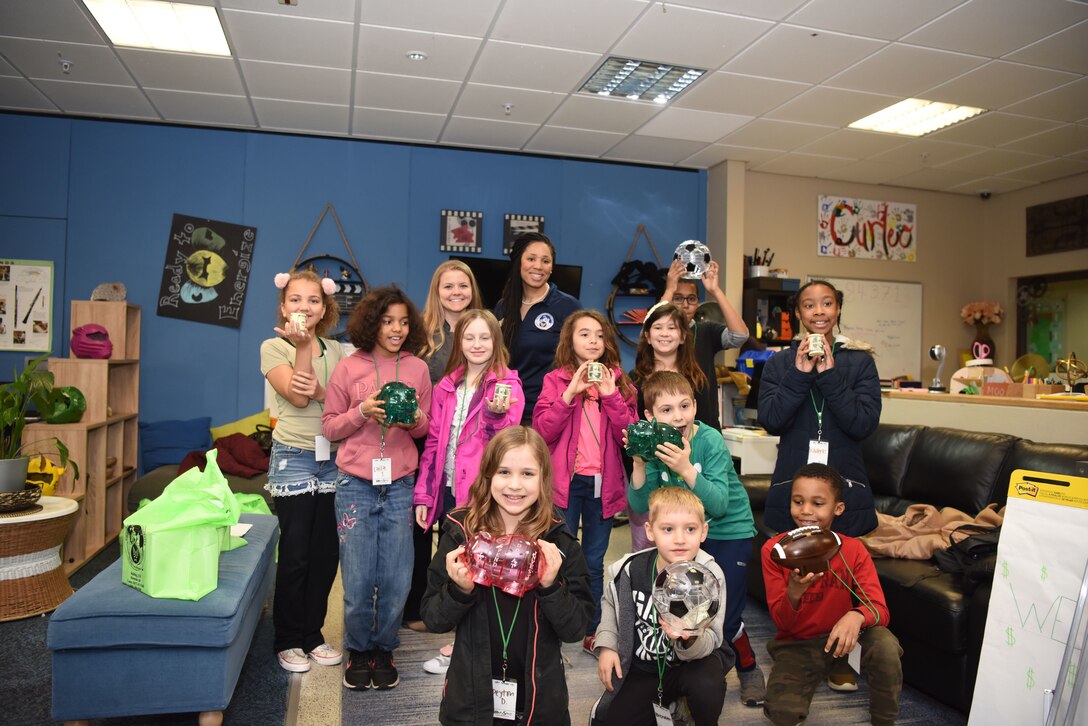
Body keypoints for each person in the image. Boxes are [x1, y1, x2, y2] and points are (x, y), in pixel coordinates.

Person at [421, 426, 594, 725]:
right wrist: (459, 591)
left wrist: (552, 587)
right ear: (488, 475)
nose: (515, 485)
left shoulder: (559, 543)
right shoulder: (461, 534)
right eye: (504, 472)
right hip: (470, 699)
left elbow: (576, 629)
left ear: (543, 478)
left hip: (540, 701)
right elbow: (433, 619)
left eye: (527, 474)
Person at [626, 371, 766, 707]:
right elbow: (640, 505)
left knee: (723, 616)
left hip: (729, 532)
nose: (678, 416)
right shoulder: (655, 446)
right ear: (649, 416)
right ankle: (690, 681)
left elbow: (718, 505)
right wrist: (639, 464)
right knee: (687, 609)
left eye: (684, 406)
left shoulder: (710, 440)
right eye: (667, 410)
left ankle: (746, 667)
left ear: (695, 406)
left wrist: (686, 468)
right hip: (688, 536)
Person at [322, 285, 432, 691]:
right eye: (388, 321)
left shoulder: (418, 369)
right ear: (373, 323)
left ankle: (384, 648)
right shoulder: (349, 367)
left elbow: (425, 428)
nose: (397, 329)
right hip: (354, 484)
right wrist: (361, 412)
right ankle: (358, 648)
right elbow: (330, 427)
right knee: (357, 576)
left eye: (403, 322)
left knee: (396, 576)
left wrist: (414, 420)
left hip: (400, 483)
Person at [761, 463, 902, 726]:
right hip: (798, 642)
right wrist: (794, 592)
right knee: (782, 713)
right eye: (798, 501)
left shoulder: (854, 550)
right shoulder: (774, 550)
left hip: (844, 639)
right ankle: (826, 667)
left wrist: (856, 616)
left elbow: (880, 609)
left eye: (817, 503)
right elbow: (783, 622)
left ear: (838, 508)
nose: (806, 510)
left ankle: (882, 718)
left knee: (885, 644)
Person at [533, 309, 639, 653]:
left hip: (603, 486)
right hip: (565, 485)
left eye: (599, 335)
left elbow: (630, 437)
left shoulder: (620, 382)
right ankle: (558, 621)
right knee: (559, 556)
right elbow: (542, 432)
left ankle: (592, 627)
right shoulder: (555, 381)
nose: (593, 341)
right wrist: (569, 394)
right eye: (584, 334)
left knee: (594, 560)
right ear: (570, 340)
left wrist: (611, 396)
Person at [261, 270, 346, 673]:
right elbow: (297, 396)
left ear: (324, 308)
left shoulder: (338, 350)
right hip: (293, 455)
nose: (304, 307)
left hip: (334, 457)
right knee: (295, 552)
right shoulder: (273, 347)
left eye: (313, 300)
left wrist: (323, 393)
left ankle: (312, 634)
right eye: (295, 299)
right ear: (283, 307)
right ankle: (287, 638)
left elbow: (344, 403)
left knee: (325, 553)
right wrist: (300, 348)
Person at [590, 487, 728, 726]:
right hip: (645, 668)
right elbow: (610, 604)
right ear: (650, 531)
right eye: (668, 529)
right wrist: (607, 646)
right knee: (611, 721)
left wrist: (690, 637)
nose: (679, 539)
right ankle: (668, 706)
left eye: (690, 529)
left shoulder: (710, 577)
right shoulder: (631, 570)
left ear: (703, 532)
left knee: (708, 686)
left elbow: (713, 639)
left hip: (692, 665)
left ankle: (691, 709)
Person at [757, 278, 881, 538]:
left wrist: (830, 376)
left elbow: (863, 424)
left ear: (838, 309)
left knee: (842, 557)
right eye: (809, 305)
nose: (819, 312)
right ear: (798, 313)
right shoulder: (779, 363)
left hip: (845, 480)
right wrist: (799, 374)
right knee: (793, 557)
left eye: (827, 304)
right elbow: (771, 421)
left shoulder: (861, 362)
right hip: (793, 479)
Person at [405, 261, 484, 634]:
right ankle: (417, 607)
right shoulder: (420, 334)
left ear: (472, 290)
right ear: (436, 292)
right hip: (425, 441)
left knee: (461, 530)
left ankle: (457, 607)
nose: (456, 292)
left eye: (462, 285)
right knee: (420, 529)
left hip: (468, 447)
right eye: (448, 286)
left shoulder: (483, 330)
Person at [626, 302, 708, 551]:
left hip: (691, 467)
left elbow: (708, 424)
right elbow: (631, 425)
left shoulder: (696, 376)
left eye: (671, 327)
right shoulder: (635, 379)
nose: (664, 333)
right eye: (658, 327)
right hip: (650, 470)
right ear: (647, 335)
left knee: (687, 541)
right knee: (647, 543)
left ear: (683, 335)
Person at [496, 232, 581, 425]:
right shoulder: (503, 306)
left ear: (552, 267)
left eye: (545, 261)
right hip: (506, 410)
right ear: (518, 262)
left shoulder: (568, 306)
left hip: (548, 412)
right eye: (531, 259)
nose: (538, 266)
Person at [659, 259, 748, 430]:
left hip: (705, 427)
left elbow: (740, 336)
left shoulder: (706, 330)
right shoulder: (659, 337)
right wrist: (669, 289)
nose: (685, 305)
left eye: (691, 299)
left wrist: (716, 291)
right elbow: (650, 330)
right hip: (667, 427)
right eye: (678, 298)